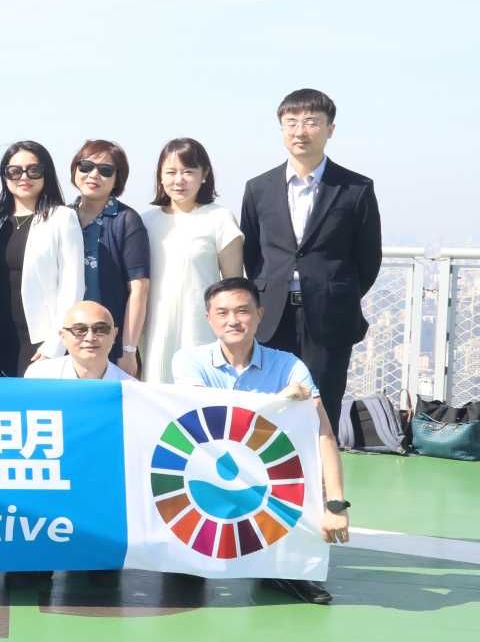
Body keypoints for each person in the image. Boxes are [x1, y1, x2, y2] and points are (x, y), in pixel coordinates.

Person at [171, 276, 352, 604]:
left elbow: (322, 433)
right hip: (206, 471)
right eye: (222, 312)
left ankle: (286, 570)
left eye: (242, 311)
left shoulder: (289, 365)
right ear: (208, 318)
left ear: (259, 315)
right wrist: (279, 401)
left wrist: (336, 504)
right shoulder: (188, 361)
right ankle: (190, 558)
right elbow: (213, 415)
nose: (233, 320)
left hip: (268, 473)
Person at [239, 88, 383, 431]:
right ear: (281, 129)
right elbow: (252, 253)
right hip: (271, 316)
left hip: (329, 315)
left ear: (330, 129)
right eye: (291, 122)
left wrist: (334, 291)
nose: (300, 131)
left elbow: (368, 258)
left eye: (311, 122)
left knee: (322, 407)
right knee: (267, 406)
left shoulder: (355, 188)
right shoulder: (258, 188)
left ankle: (320, 468)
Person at [139, 138, 243, 384]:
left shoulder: (219, 218)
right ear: (160, 176)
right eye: (171, 172)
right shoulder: (145, 222)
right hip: (155, 331)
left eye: (188, 172)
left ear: (204, 174)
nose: (179, 180)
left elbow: (234, 287)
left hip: (202, 329)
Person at [0, 140, 83, 377]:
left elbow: (73, 286)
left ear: (46, 173)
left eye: (33, 170)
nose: (24, 177)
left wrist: (56, 344)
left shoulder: (62, 218)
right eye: (15, 171)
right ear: (4, 176)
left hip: (39, 340)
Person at [68, 140, 150, 377]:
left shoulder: (127, 220)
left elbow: (139, 289)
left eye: (105, 170)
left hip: (108, 344)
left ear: (117, 179)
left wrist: (128, 350)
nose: (94, 175)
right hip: (67, 341)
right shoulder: (62, 216)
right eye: (86, 166)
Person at [26, 300, 134, 380]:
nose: (90, 338)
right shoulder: (39, 377)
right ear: (63, 336)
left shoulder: (128, 388)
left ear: (114, 335)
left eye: (100, 329)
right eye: (80, 330)